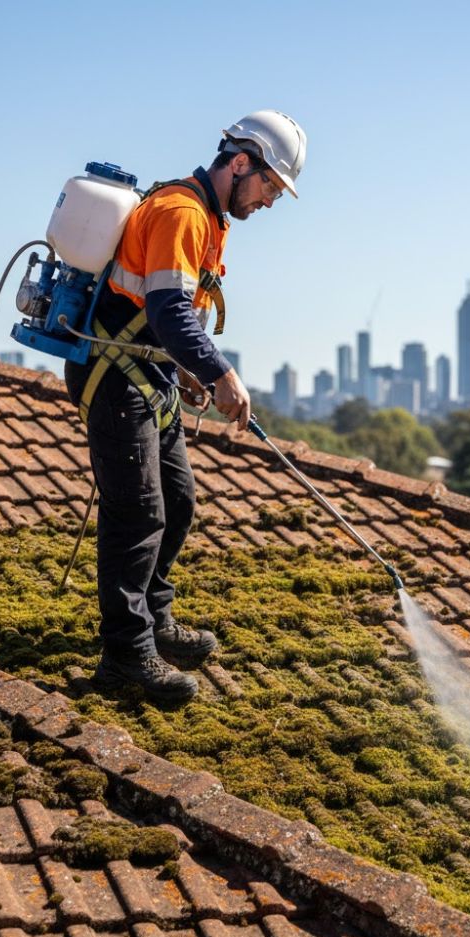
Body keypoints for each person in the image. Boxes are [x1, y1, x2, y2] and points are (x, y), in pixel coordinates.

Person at [64, 110, 307, 702]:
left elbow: (164, 314)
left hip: (150, 376)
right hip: (115, 377)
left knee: (177, 500)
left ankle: (154, 618)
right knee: (137, 515)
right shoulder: (182, 212)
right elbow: (169, 308)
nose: (271, 201)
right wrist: (221, 374)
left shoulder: (208, 218)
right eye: (271, 186)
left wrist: (185, 372)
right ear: (241, 163)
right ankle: (125, 657)